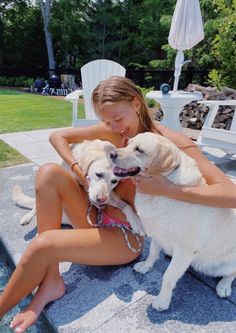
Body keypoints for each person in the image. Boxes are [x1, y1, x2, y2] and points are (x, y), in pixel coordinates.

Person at [1, 76, 236, 333]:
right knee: (48, 172)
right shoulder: (112, 131)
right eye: (107, 121)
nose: (114, 127)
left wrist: (171, 190)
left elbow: (230, 194)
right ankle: (52, 279)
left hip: (124, 236)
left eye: (118, 118)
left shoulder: (169, 144)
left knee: (41, 246)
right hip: (95, 213)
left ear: (136, 103)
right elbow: (58, 137)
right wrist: (82, 174)